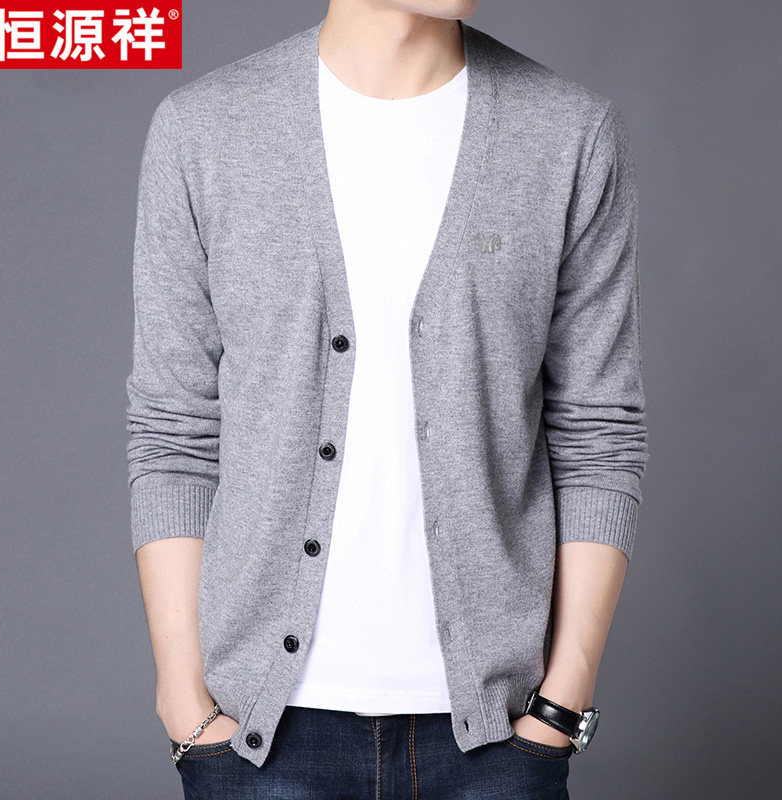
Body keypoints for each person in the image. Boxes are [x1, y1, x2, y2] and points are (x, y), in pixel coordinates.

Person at [125, 1, 649, 797]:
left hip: (497, 739)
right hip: (258, 738)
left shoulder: (568, 135)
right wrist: (184, 699)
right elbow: (173, 431)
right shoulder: (204, 131)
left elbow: (598, 434)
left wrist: (561, 702)